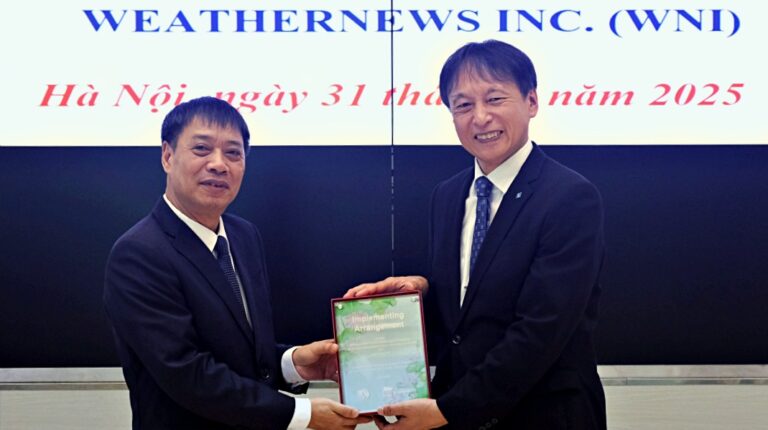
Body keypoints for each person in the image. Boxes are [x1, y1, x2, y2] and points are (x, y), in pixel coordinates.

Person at [345, 40, 606, 429]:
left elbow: (541, 329)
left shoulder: (570, 197)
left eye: (495, 98)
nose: (480, 117)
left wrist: (451, 411)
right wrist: (420, 292)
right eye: (463, 105)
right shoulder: (449, 195)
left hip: (543, 415)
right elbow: (468, 315)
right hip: (460, 408)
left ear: (531, 102)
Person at [104, 96, 368, 430]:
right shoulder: (139, 254)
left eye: (233, 152)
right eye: (201, 149)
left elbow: (242, 353)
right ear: (168, 156)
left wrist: (295, 363)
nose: (219, 164)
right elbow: (189, 374)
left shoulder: (244, 237)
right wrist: (304, 415)